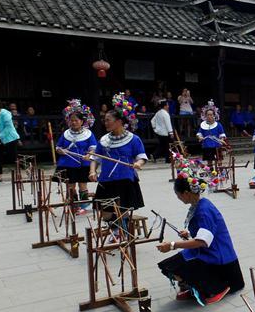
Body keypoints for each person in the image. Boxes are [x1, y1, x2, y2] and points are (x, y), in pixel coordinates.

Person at [157, 172, 245, 305]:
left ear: (186, 193)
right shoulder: (200, 204)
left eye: (178, 195)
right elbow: (204, 234)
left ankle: (218, 288)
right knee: (169, 265)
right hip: (209, 250)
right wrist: (188, 235)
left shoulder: (203, 211)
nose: (178, 198)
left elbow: (202, 241)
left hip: (218, 255)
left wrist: (173, 245)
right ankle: (195, 286)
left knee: (173, 266)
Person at [88, 95, 147, 239]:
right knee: (105, 212)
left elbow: (141, 156)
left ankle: (124, 233)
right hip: (106, 179)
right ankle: (115, 229)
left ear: (119, 122)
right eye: (105, 120)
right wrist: (92, 171)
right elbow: (96, 157)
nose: (105, 123)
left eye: (108, 120)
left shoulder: (133, 139)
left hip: (125, 179)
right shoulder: (104, 140)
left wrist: (138, 164)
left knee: (123, 209)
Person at [55, 99, 97, 214]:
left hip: (83, 163)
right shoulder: (66, 133)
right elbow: (58, 147)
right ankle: (73, 206)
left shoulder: (88, 134)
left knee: (82, 185)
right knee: (70, 186)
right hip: (67, 163)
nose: (73, 122)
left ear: (82, 121)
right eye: (71, 120)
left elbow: (93, 147)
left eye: (76, 120)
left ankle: (83, 206)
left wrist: (89, 155)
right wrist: (60, 151)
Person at [0, 98, 20, 184]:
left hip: (9, 138)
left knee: (13, 157)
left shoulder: (5, 113)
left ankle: (28, 170)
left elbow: (8, 127)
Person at [196, 101, 226, 166]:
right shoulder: (203, 125)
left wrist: (222, 139)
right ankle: (211, 174)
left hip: (217, 145)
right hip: (207, 146)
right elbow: (199, 134)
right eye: (208, 115)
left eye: (211, 115)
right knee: (209, 163)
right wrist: (200, 137)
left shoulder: (218, 124)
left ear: (214, 115)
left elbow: (222, 135)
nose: (209, 116)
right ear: (205, 116)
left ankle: (220, 174)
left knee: (219, 162)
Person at [151, 100, 174, 164]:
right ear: (165, 106)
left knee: (163, 145)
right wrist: (171, 133)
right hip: (165, 133)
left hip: (159, 132)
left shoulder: (158, 112)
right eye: (167, 105)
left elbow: (152, 121)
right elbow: (168, 124)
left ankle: (155, 155)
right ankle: (168, 159)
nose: (168, 106)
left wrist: (154, 128)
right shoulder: (165, 114)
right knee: (168, 146)